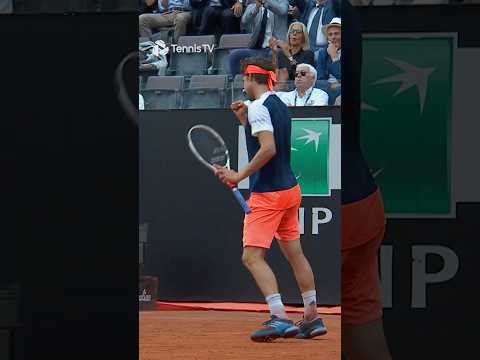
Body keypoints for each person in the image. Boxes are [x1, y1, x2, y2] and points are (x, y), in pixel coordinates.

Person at [215, 57, 327, 342]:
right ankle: (312, 317)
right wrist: (244, 120)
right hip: (290, 190)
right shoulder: (276, 104)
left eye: (244, 78)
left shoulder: (259, 108)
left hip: (268, 195)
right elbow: (265, 139)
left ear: (251, 79)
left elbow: (268, 149)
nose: (242, 83)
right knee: (295, 253)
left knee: (252, 257)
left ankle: (279, 317)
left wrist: (238, 175)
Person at [340, 1, 392, 359]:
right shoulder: (342, 12)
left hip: (335, 209)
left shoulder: (329, 13)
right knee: (362, 321)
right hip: (360, 199)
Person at [229, 0, 289, 76]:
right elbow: (244, 21)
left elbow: (282, 11)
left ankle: (271, 84)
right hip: (258, 49)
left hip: (277, 49)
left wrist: (266, 2)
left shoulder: (282, 2)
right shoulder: (253, 5)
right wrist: (256, 9)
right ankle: (238, 85)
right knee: (234, 55)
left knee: (273, 54)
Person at [316, 16, 341, 82]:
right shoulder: (323, 53)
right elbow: (320, 80)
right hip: (327, 90)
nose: (333, 37)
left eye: (336, 34)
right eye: (330, 34)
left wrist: (334, 57)